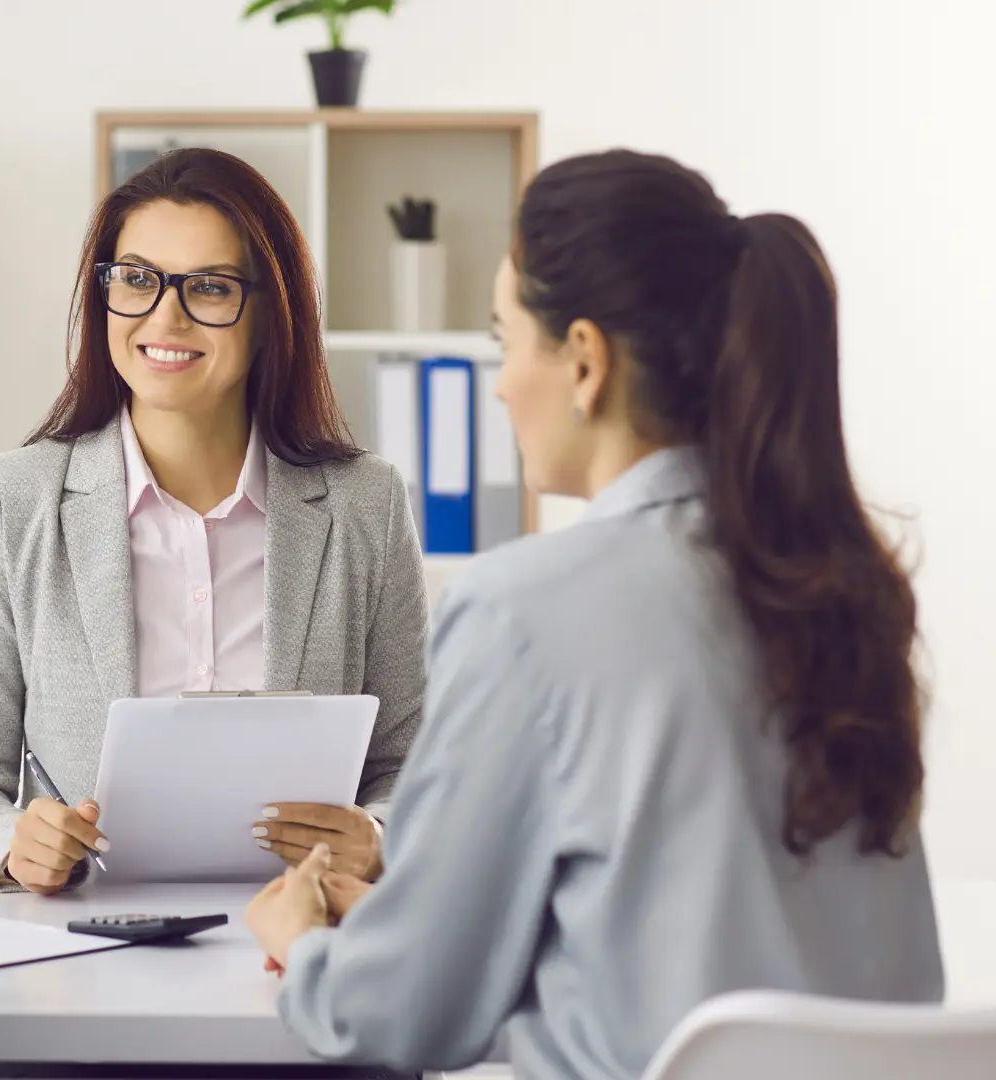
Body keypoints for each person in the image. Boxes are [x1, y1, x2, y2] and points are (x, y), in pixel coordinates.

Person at [244, 149, 946, 1080]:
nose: (497, 386)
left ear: (583, 361)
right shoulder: (843, 585)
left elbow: (399, 1018)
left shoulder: (520, 611)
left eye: (504, 343)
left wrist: (307, 942)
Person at [0, 147, 428, 894]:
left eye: (210, 287)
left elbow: (413, 765)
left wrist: (377, 835)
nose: (166, 316)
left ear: (268, 314)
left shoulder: (363, 506)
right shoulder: (13, 500)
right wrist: (9, 844)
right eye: (138, 280)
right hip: (85, 942)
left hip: (305, 936)